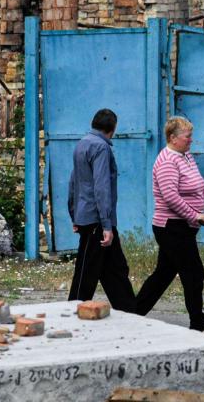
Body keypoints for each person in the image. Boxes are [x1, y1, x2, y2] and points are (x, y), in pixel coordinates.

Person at [136, 116, 204, 335]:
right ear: (173, 138)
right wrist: (196, 216)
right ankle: (199, 324)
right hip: (171, 227)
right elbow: (170, 197)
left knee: (163, 275)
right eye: (188, 136)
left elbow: (201, 187)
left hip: (184, 226)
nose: (191, 140)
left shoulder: (186, 157)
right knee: (194, 273)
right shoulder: (167, 161)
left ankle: (132, 315)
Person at [66, 108, 137, 312]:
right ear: (112, 129)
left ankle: (129, 312)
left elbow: (74, 182)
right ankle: (73, 310)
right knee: (86, 271)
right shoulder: (101, 148)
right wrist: (106, 225)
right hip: (97, 220)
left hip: (87, 216)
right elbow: (101, 186)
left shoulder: (82, 144)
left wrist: (74, 213)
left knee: (116, 269)